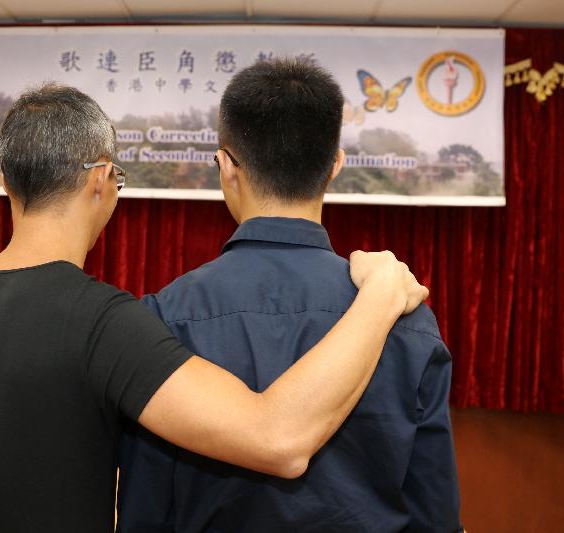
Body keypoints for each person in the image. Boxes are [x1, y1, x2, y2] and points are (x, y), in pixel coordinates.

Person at [0, 83, 429, 533]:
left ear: (6, 182)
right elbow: (279, 438)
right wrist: (379, 298)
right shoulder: (102, 324)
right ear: (101, 179)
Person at [117, 59, 462, 532]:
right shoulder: (406, 319)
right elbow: (434, 514)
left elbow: (146, 510)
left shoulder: (162, 319)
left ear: (224, 165)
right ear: (336, 164)